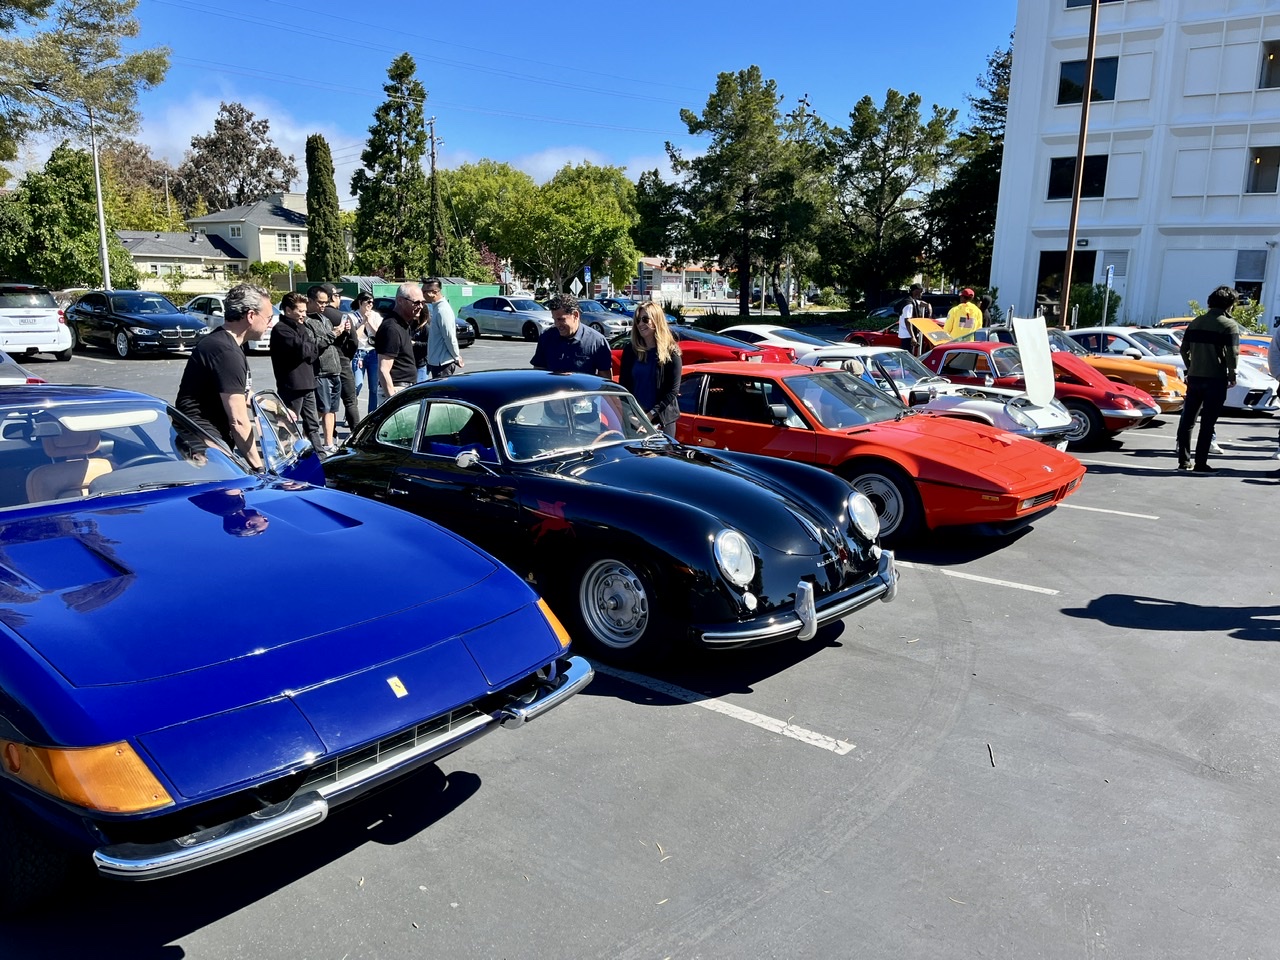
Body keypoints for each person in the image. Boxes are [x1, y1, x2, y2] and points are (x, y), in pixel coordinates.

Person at [175, 282, 271, 471]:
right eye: (268, 318)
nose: (270, 324)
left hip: (204, 439)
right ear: (251, 316)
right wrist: (260, 468)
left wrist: (274, 409)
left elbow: (239, 391)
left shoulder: (223, 342)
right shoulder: (226, 351)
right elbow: (239, 421)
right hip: (202, 445)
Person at [1176, 285, 1240, 472]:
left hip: (1195, 377)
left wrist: (1191, 367)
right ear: (1229, 305)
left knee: (1188, 421)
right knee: (1208, 423)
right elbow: (1232, 354)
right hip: (1215, 378)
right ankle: (1201, 463)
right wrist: (1232, 375)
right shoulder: (1229, 325)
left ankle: (1183, 461)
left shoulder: (1196, 322)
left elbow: (1183, 349)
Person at [269, 291, 326, 452]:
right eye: (300, 311)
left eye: (305, 311)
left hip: (308, 382)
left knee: (312, 424)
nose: (303, 314)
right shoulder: (281, 330)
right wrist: (311, 347)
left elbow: (312, 353)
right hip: (292, 386)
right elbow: (304, 350)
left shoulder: (301, 327)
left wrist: (311, 347)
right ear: (288, 310)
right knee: (288, 423)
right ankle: (284, 453)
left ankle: (319, 454)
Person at [619, 301, 682, 433]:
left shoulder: (671, 353)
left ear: (656, 320)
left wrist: (649, 416)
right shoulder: (630, 350)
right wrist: (630, 414)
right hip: (634, 419)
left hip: (662, 420)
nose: (640, 324)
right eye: (638, 320)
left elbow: (672, 391)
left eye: (645, 319)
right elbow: (624, 386)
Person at [304, 287, 346, 454]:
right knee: (321, 410)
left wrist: (342, 332)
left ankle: (329, 443)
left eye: (325, 302)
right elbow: (314, 345)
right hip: (320, 372)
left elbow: (332, 342)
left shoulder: (325, 319)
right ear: (310, 301)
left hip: (334, 369)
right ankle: (308, 444)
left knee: (332, 410)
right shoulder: (306, 321)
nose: (323, 306)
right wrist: (333, 334)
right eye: (320, 302)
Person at [531, 293, 611, 376]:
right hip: (553, 384)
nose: (557, 324)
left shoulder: (597, 341)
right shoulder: (546, 337)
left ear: (575, 315)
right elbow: (538, 373)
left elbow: (605, 378)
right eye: (555, 320)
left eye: (561, 319)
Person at [324, 283, 362, 432]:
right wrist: (348, 357)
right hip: (342, 361)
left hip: (323, 364)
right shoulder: (342, 317)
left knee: (327, 404)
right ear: (332, 297)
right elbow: (354, 342)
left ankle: (330, 434)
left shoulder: (314, 317)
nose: (339, 298)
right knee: (350, 401)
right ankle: (356, 433)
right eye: (337, 296)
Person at [375, 282, 423, 399]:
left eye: (423, 302)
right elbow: (383, 369)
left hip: (405, 388)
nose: (421, 306)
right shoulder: (391, 328)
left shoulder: (403, 324)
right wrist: (392, 399)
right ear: (400, 301)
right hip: (397, 390)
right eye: (416, 302)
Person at [424, 278, 464, 378]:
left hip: (442, 364)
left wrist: (456, 356)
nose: (422, 295)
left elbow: (449, 337)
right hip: (437, 363)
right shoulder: (437, 308)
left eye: (424, 292)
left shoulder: (442, 310)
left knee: (442, 388)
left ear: (434, 292)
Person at [351, 291, 382, 411]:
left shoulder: (376, 316)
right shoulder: (353, 317)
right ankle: (351, 411)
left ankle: (372, 413)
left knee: (374, 388)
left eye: (372, 302)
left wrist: (370, 322)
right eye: (368, 302)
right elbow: (355, 337)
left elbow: (379, 335)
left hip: (373, 352)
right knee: (357, 385)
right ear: (360, 302)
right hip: (359, 353)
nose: (370, 304)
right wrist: (364, 322)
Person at [898, 284, 927, 354]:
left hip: (908, 335)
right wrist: (913, 337)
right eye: (921, 291)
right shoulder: (909, 305)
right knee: (907, 356)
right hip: (907, 335)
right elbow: (907, 321)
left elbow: (920, 303)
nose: (922, 293)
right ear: (916, 291)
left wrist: (928, 305)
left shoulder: (913, 301)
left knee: (909, 355)